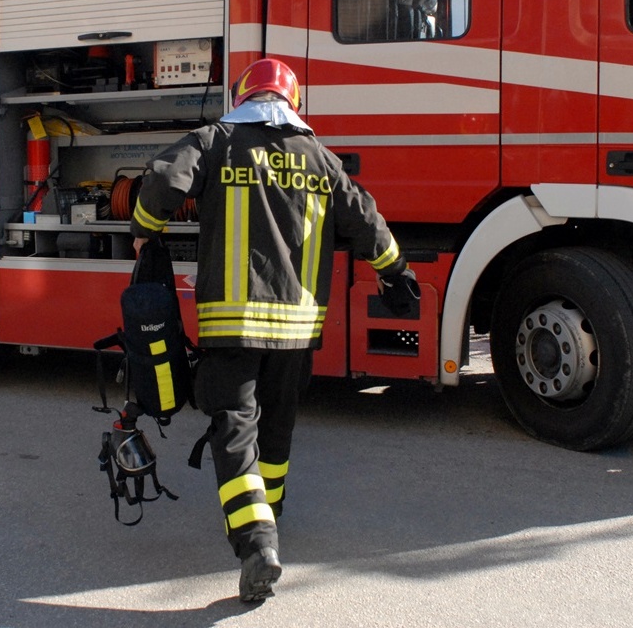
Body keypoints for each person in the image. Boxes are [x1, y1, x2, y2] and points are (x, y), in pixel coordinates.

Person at [130, 58, 419, 603]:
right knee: (277, 431)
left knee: (234, 428)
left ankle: (257, 540)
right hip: (296, 332)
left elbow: (165, 179)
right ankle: (271, 515)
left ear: (243, 97)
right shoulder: (322, 159)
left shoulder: (216, 139)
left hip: (233, 325)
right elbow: (366, 220)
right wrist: (396, 273)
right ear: (293, 104)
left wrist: (144, 232)